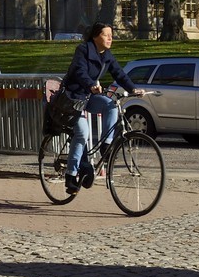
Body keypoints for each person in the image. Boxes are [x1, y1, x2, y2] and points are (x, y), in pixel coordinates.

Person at [61, 22, 145, 195]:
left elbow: (119, 73)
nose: (110, 38)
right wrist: (91, 85)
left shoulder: (106, 54)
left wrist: (132, 89)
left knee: (111, 104)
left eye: (111, 35)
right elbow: (79, 71)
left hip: (89, 96)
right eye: (106, 35)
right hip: (73, 98)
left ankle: (106, 146)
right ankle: (71, 175)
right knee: (82, 133)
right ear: (95, 36)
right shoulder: (83, 50)